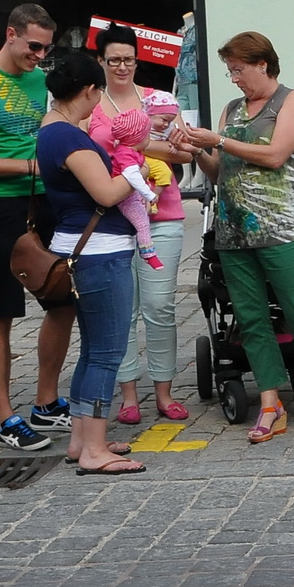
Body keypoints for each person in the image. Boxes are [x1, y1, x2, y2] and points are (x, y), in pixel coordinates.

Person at [175, 33, 294, 442]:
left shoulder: (293, 101)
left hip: (281, 228)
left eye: (238, 69)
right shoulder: (233, 109)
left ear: (263, 64)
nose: (234, 78)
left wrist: (217, 139)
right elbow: (219, 172)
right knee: (251, 321)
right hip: (233, 233)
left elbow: (275, 155)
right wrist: (196, 149)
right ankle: (270, 403)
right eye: (230, 70)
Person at [34, 50, 142, 475]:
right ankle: (96, 451)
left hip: (78, 247)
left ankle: (83, 440)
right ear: (89, 90)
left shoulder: (51, 130)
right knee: (106, 353)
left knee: (92, 350)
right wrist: (135, 172)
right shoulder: (68, 136)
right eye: (98, 90)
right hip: (99, 251)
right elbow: (106, 194)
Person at [0, 3, 73, 451]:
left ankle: (45, 402)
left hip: (45, 199)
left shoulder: (44, 82)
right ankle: (5, 417)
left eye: (47, 48)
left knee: (62, 295)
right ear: (11, 34)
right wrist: (27, 165)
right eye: (34, 46)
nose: (40, 56)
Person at [113, 88, 189, 423]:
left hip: (166, 217)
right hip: (115, 220)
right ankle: (128, 396)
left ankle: (164, 392)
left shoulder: (158, 99)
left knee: (160, 306)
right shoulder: (95, 100)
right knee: (122, 311)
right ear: (101, 61)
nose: (122, 66)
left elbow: (186, 150)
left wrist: (145, 145)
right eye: (113, 59)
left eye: (128, 59)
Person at [94, 108, 164, 269]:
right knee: (142, 223)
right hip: (127, 198)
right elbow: (132, 176)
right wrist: (149, 195)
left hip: (132, 195)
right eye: (147, 135)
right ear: (138, 137)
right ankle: (148, 253)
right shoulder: (126, 154)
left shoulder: (127, 149)